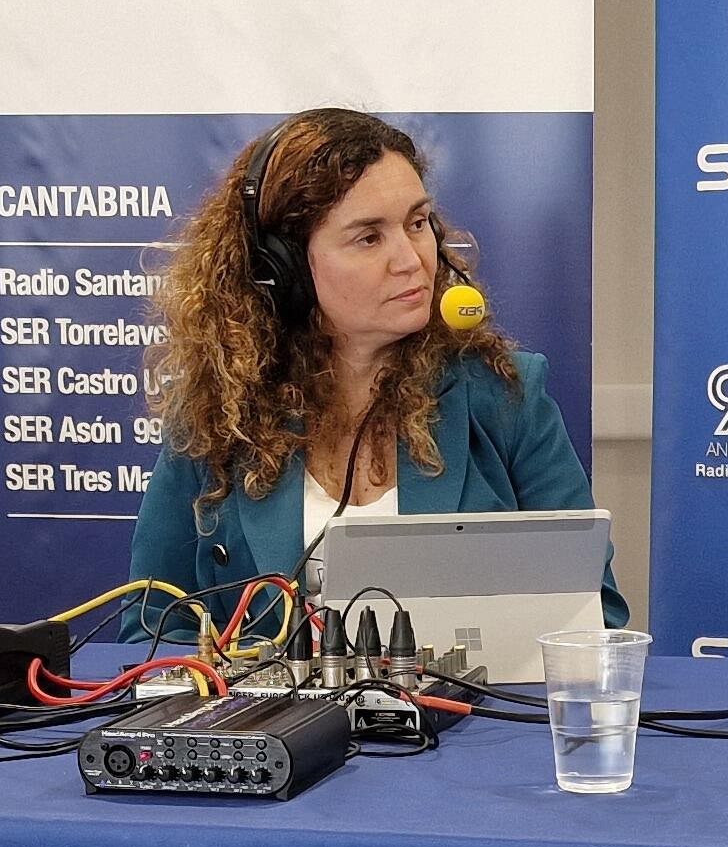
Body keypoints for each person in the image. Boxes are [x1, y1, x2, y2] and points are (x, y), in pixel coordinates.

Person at [134, 108, 624, 623]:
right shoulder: (217, 413)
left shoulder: (507, 393)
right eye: (369, 237)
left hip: (471, 705)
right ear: (283, 269)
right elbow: (151, 627)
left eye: (417, 224)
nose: (412, 259)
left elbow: (594, 617)